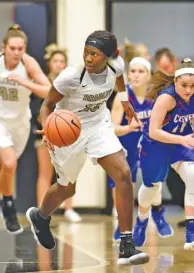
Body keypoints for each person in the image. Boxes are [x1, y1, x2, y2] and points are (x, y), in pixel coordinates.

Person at [26, 30, 149, 265]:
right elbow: (47, 104)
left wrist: (125, 102)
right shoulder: (71, 76)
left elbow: (120, 80)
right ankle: (40, 217)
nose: (89, 58)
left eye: (94, 54)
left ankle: (126, 244)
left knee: (123, 175)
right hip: (68, 130)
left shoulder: (116, 66)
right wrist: (47, 128)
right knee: (67, 189)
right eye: (86, 53)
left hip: (98, 125)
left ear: (110, 56)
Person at [0, 24, 51, 238]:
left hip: (19, 122)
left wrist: (26, 83)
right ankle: (8, 207)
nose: (17, 53)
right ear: (4, 48)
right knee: (9, 163)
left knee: (3, 168)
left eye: (21, 49)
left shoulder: (28, 65)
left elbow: (48, 90)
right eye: (13, 49)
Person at [133, 58, 194, 250]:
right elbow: (154, 131)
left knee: (193, 177)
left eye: (192, 86)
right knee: (151, 188)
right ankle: (142, 220)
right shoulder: (166, 99)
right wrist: (182, 140)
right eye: (184, 85)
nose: (188, 90)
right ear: (175, 81)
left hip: (178, 143)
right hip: (155, 145)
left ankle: (191, 231)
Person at [35, 43, 81, 222]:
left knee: (68, 172)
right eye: (56, 61)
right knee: (45, 173)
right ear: (49, 63)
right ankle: (42, 210)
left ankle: (69, 209)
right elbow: (37, 107)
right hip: (45, 131)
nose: (59, 64)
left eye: (62, 61)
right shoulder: (42, 82)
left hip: (65, 133)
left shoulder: (70, 84)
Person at [110, 57, 153, 241]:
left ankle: (146, 216)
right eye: (133, 71)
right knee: (125, 183)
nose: (136, 75)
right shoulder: (122, 97)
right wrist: (128, 128)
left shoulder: (156, 96)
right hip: (124, 145)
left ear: (149, 75)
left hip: (148, 144)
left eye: (140, 71)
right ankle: (122, 223)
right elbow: (110, 127)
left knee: (154, 182)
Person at [154, 48, 186, 227]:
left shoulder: (186, 81)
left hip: (187, 137)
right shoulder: (160, 87)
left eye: (167, 66)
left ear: (174, 62)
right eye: (161, 68)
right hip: (169, 139)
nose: (165, 71)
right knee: (173, 182)